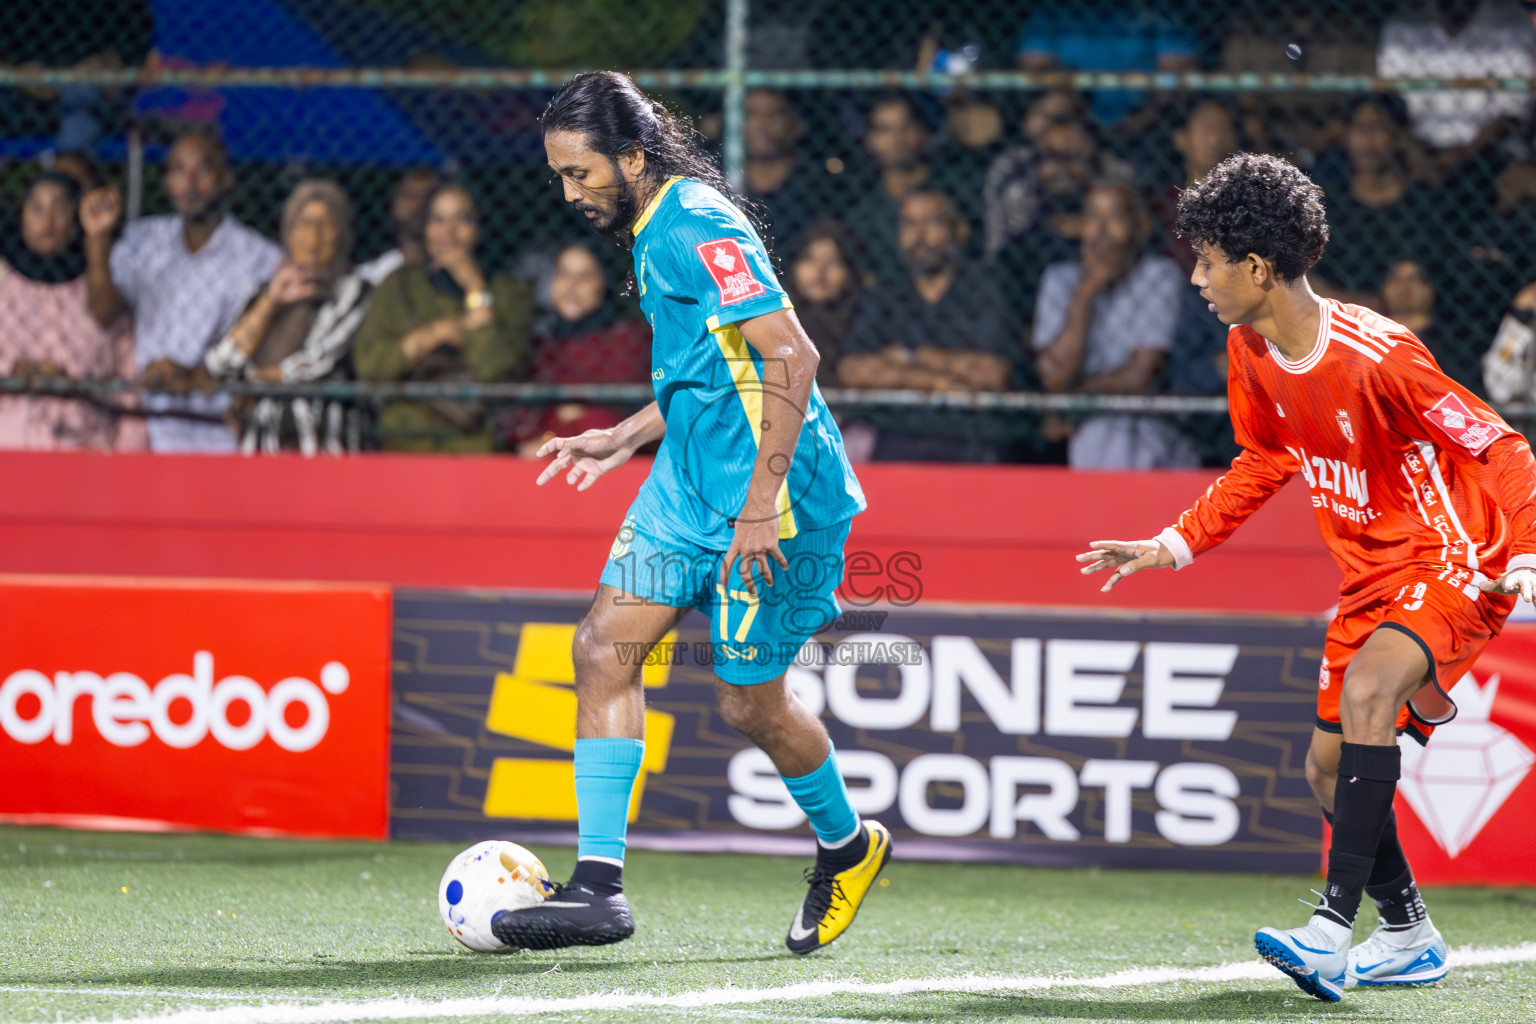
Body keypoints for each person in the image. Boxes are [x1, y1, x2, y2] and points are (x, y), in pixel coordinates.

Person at [1078, 153, 1536, 1003]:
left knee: (1368, 699)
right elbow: (1263, 460)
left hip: (1450, 559)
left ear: (1257, 267)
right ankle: (1407, 934)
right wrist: (1173, 544)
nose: (1198, 277)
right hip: (1368, 578)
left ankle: (1330, 931)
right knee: (1325, 769)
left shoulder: (1380, 354)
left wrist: (1527, 552)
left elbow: (1501, 443)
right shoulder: (1248, 349)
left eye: (1210, 260)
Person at [501, 70, 886, 955]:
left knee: (749, 707)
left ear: (633, 157)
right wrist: (631, 433)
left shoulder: (698, 222)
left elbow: (793, 356)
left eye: (581, 173)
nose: (570, 193)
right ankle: (598, 890)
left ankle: (849, 844)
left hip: (780, 502)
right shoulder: (647, 224)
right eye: (559, 175)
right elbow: (712, 369)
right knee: (603, 647)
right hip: (687, 483)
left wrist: (760, 507)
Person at [83, 129, 282, 452]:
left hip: (219, 427)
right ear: (165, 181)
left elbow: (271, 345)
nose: (189, 183)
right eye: (177, 170)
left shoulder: (259, 257)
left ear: (226, 179)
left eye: (202, 170)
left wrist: (196, 375)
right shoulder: (145, 239)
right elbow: (104, 313)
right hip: (146, 423)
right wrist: (97, 240)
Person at [352, 182, 531, 453]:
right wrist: (433, 335)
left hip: (478, 446)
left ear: (479, 229)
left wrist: (476, 288)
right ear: (424, 228)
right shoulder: (399, 286)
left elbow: (493, 369)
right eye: (438, 219)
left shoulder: (508, 292)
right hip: (405, 441)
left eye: (463, 219)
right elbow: (370, 367)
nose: (449, 232)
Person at [839, 190, 1015, 462]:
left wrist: (909, 356)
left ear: (959, 232)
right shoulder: (886, 292)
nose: (918, 235)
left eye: (931, 222)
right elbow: (853, 371)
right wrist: (940, 381)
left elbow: (992, 374)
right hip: (896, 437)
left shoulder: (984, 288)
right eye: (909, 224)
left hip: (971, 439)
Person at [1034, 182, 1196, 469]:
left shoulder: (1158, 275)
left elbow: (1138, 375)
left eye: (1115, 217)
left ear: (1140, 227)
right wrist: (1085, 293)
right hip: (1085, 427)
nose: (1102, 231)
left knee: (1117, 433)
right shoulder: (1060, 279)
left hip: (1146, 424)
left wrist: (1071, 404)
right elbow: (1055, 375)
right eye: (1093, 218)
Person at [204, 180, 372, 456]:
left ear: (341, 234)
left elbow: (321, 360)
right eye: (304, 225)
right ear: (288, 232)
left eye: (326, 226)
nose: (313, 238)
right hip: (262, 451)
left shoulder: (353, 292)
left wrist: (259, 377)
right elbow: (220, 364)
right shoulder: (264, 292)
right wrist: (271, 302)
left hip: (326, 450)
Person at [0, 170, 143, 450]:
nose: (48, 221)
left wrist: (126, 459)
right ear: (22, 218)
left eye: (60, 208)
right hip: (12, 447)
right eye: (37, 208)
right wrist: (12, 372)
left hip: (87, 449)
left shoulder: (97, 288)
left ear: (76, 220)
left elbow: (128, 381)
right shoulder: (6, 285)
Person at [504, 241, 651, 458]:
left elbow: (614, 421)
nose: (571, 286)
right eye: (564, 274)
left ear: (604, 284)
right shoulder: (543, 344)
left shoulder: (628, 340)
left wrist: (554, 433)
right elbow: (520, 422)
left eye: (585, 277)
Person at [1311, 96, 1439, 306]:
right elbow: (1309, 280)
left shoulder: (1422, 204)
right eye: (1360, 128)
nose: (1367, 139)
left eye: (1378, 128)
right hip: (1338, 318)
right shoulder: (1327, 205)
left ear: (1396, 136)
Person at [1150, 97, 1240, 275]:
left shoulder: (1247, 201)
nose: (1215, 139)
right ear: (1181, 138)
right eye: (1206, 129)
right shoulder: (1164, 204)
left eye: (1223, 129)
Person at [785, 220, 866, 389]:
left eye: (833, 262)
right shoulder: (778, 316)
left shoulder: (863, 317)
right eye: (809, 259)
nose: (820, 272)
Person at [356, 167, 439, 286]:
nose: (418, 204)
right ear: (393, 204)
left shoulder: (453, 272)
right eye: (409, 196)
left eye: (427, 198)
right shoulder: (367, 276)